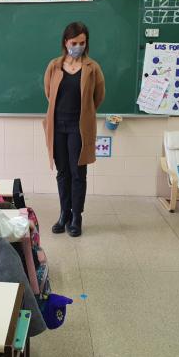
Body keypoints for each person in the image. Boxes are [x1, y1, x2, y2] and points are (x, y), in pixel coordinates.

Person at [43, 22, 105, 237]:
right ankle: (64, 214)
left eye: (82, 42)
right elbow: (48, 92)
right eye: (74, 42)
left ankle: (77, 216)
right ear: (65, 42)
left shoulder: (92, 67)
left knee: (78, 172)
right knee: (63, 172)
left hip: (79, 126)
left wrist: (85, 113)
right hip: (58, 125)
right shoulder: (54, 65)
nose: (78, 46)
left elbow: (98, 96)